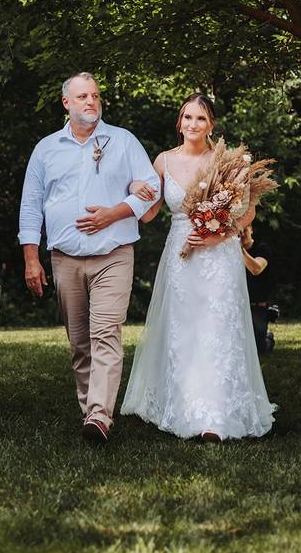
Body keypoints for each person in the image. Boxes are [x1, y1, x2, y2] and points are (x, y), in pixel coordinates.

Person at [120, 93, 277, 441]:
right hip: (180, 254)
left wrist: (217, 235)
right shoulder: (162, 161)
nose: (193, 124)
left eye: (201, 119)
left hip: (219, 255)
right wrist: (134, 190)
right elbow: (149, 213)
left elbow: (247, 212)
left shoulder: (226, 163)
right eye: (187, 117)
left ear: (211, 125)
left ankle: (216, 418)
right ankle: (184, 407)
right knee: (184, 329)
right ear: (179, 122)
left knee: (218, 328)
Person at [19, 72, 160, 443]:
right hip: (65, 258)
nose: (91, 102)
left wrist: (115, 212)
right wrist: (31, 258)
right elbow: (31, 207)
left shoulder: (123, 140)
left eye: (95, 96)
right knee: (80, 341)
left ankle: (100, 415)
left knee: (105, 333)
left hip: (114, 255)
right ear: (66, 102)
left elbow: (152, 187)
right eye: (82, 97)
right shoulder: (46, 149)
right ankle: (91, 412)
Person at [242, 225, 276, 353]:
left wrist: (238, 249)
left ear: (251, 229)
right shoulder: (228, 252)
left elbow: (256, 268)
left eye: (244, 230)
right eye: (238, 232)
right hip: (237, 304)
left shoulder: (262, 249)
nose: (242, 235)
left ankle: (268, 337)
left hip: (257, 305)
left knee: (259, 349)